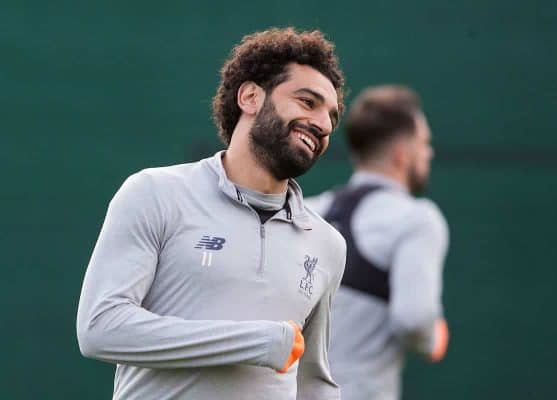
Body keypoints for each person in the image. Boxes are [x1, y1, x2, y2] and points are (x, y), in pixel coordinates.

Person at [76, 27, 347, 400]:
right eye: (307, 102)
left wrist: (270, 346)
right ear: (250, 97)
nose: (324, 124)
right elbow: (100, 329)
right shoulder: (155, 193)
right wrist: (255, 342)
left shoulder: (327, 244)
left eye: (332, 116)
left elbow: (313, 381)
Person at [305, 85, 450, 400]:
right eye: (424, 143)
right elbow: (414, 320)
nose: (430, 152)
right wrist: (434, 338)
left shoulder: (309, 211)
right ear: (403, 153)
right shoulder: (417, 220)